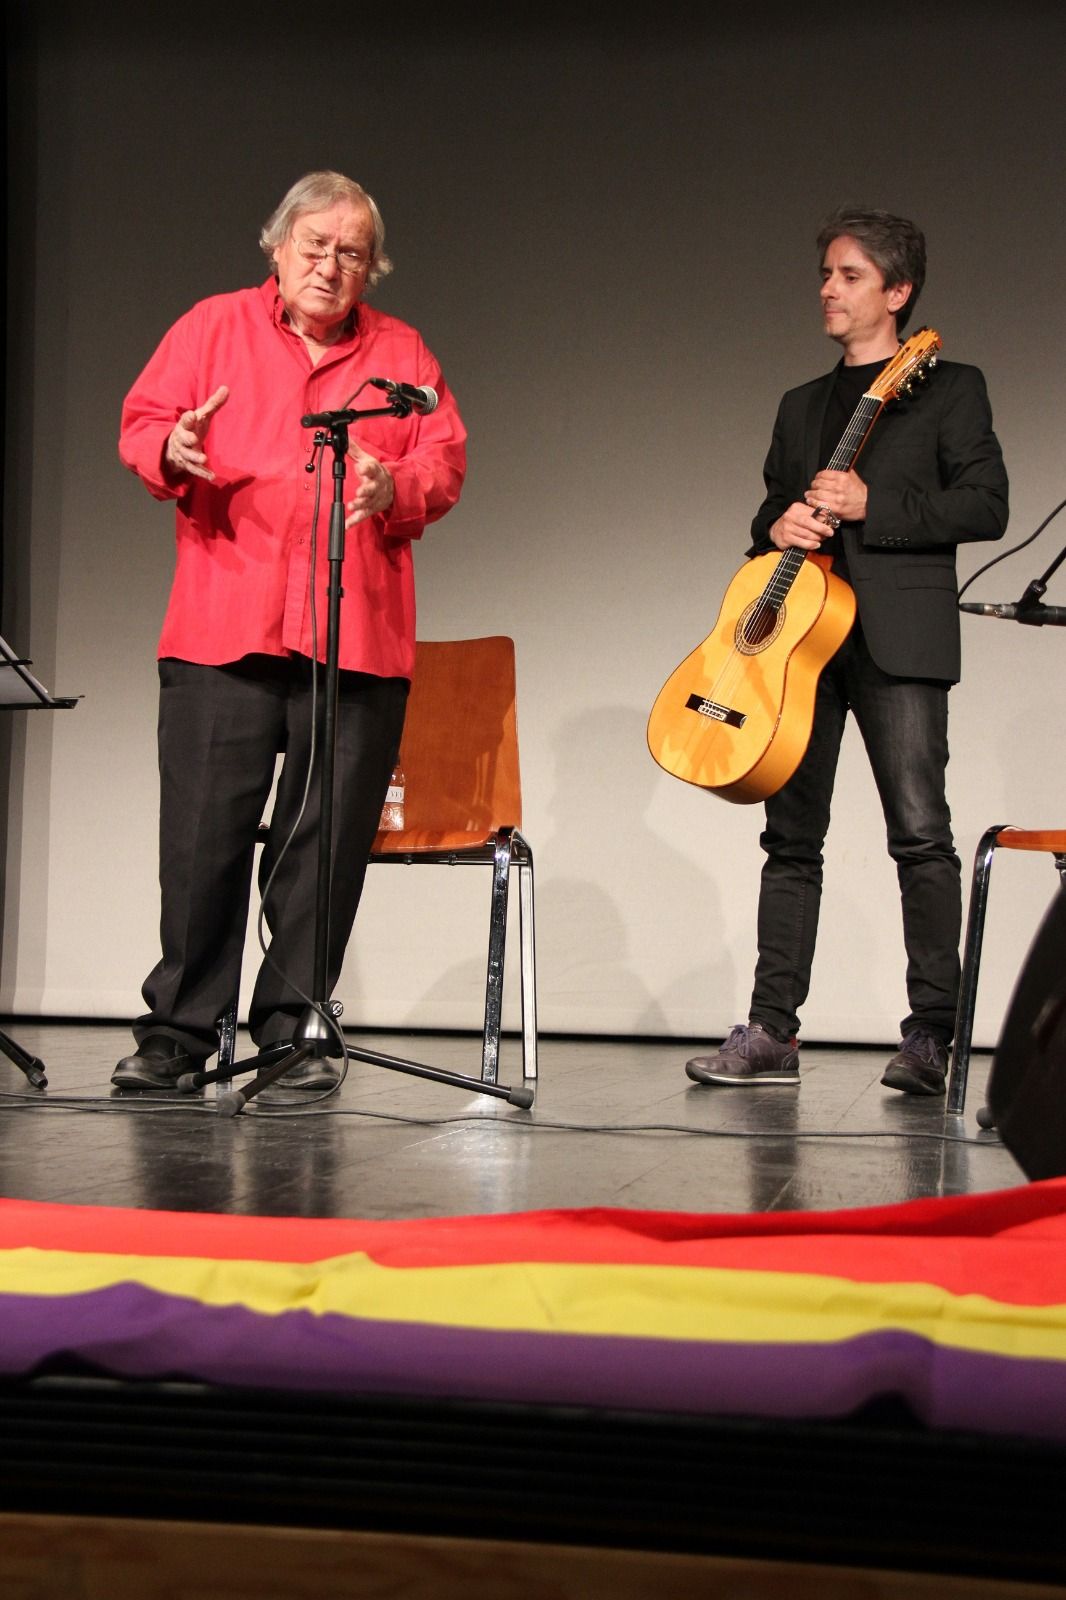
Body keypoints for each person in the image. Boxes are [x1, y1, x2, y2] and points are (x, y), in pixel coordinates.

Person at [113, 170, 466, 1090]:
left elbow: (445, 459)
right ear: (277, 247)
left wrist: (398, 487)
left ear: (371, 268)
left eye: (351, 252)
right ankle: (177, 1037)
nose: (330, 264)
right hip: (221, 629)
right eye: (315, 244)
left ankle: (291, 1032)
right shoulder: (211, 327)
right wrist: (170, 449)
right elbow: (146, 424)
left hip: (353, 641)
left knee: (323, 847)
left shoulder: (403, 353)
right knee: (201, 841)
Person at [685, 206, 1008, 1096]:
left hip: (898, 639)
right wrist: (776, 522)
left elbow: (986, 505)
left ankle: (932, 1035)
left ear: (899, 292)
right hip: (799, 651)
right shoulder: (801, 405)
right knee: (790, 839)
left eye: (850, 276)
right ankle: (772, 1032)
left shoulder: (950, 388)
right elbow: (768, 518)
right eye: (825, 274)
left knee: (919, 836)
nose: (828, 289)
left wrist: (878, 508)